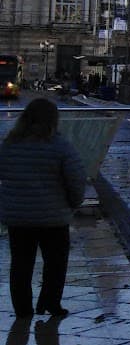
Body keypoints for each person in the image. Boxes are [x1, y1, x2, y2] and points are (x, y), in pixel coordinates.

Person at [0, 99, 88, 318]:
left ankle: (23, 309)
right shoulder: (60, 146)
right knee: (56, 264)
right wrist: (74, 203)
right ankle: (50, 303)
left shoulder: (10, 145)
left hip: (19, 218)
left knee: (20, 265)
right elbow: (76, 179)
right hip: (54, 218)